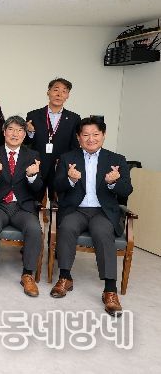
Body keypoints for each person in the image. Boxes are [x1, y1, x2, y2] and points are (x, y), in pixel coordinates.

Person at [50, 117, 132, 316]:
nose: (90, 139)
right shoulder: (68, 157)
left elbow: (127, 190)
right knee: (67, 227)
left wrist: (113, 183)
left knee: (103, 232)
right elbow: (56, 186)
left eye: (95, 134)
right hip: (76, 209)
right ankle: (65, 277)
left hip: (102, 211)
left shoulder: (117, 159)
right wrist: (70, 180)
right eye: (85, 135)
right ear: (79, 137)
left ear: (103, 135)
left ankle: (110, 290)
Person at [0, 116, 43, 296]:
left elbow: (38, 188)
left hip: (22, 207)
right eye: (11, 129)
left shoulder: (32, 155)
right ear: (4, 132)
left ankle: (28, 274)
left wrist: (32, 176)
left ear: (24, 134)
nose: (15, 134)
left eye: (20, 130)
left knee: (34, 228)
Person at [25, 77, 81, 201]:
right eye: (56, 90)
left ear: (67, 96)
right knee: (34, 202)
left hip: (61, 166)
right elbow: (27, 143)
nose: (59, 94)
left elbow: (75, 146)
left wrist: (71, 165)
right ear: (48, 92)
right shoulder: (33, 115)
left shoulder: (74, 118)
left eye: (64, 91)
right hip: (38, 165)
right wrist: (30, 132)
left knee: (59, 203)